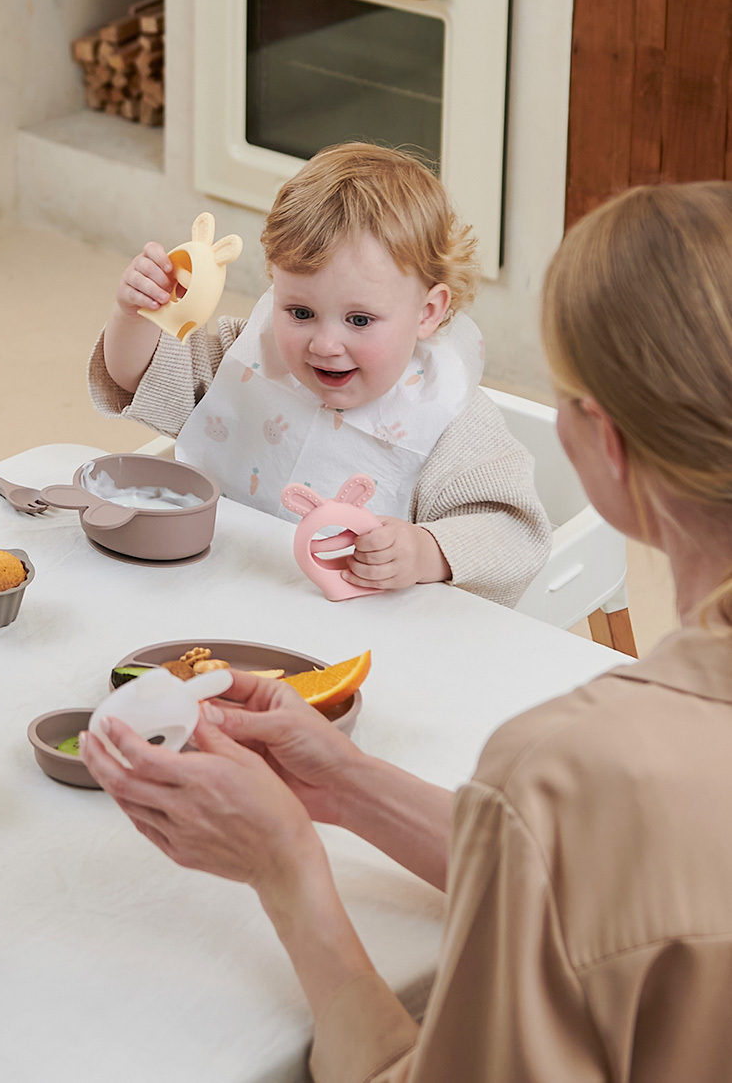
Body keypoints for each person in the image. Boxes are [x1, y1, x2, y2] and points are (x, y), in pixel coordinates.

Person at [81, 181, 732, 1080]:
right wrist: (346, 785)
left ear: (607, 448)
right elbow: (592, 876)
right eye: (300, 309)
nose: (323, 339)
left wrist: (286, 868)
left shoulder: (565, 770)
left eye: (568, 398)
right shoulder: (588, 794)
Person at [90, 143, 550, 607]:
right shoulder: (253, 358)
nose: (324, 345)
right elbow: (139, 378)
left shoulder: (449, 419)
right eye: (300, 311)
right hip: (218, 591)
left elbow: (514, 533)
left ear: (427, 312)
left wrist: (425, 552)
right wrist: (134, 316)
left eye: (360, 321)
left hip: (358, 636)